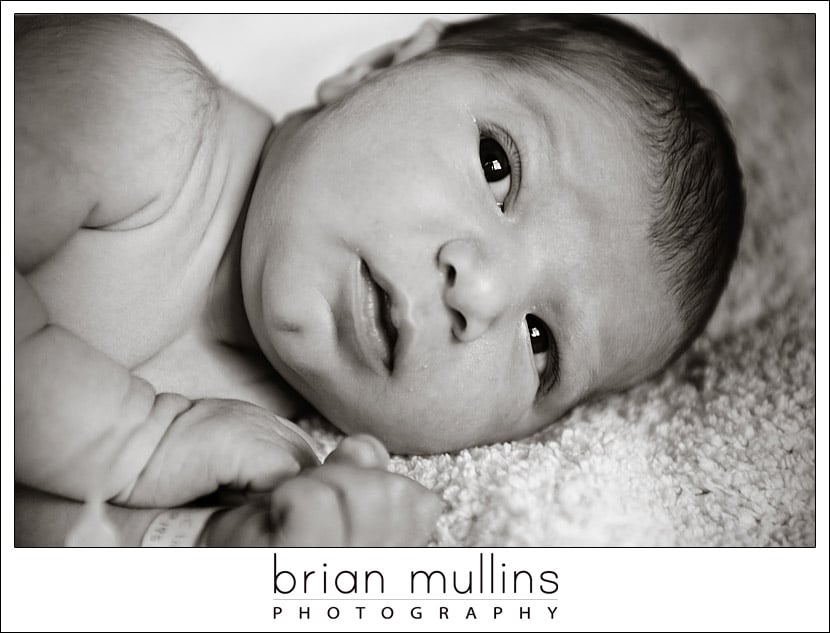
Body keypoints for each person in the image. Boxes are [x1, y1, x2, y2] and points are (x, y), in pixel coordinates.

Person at [13, 13, 744, 546]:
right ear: (377, 64)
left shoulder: (262, 441)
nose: (480, 294)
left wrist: (230, 545)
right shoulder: (140, 101)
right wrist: (139, 443)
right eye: (498, 168)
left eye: (540, 337)